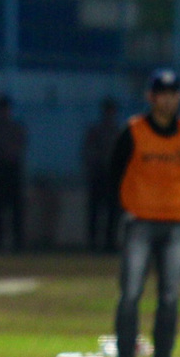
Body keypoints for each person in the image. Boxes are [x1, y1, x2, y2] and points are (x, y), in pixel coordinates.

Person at [109, 69, 180, 357]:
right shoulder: (134, 131)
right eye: (162, 94)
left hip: (175, 224)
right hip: (140, 223)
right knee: (131, 294)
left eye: (173, 95)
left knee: (170, 296)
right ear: (151, 97)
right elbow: (114, 172)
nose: (168, 101)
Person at [0, 94, 27, 251]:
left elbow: (20, 146)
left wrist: (8, 152)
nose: (4, 112)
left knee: (15, 209)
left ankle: (18, 244)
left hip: (12, 170)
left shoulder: (16, 128)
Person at [82, 97, 121, 251]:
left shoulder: (118, 131)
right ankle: (93, 243)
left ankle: (109, 242)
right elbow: (87, 151)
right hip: (98, 173)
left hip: (112, 175)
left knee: (112, 211)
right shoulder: (95, 130)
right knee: (95, 211)